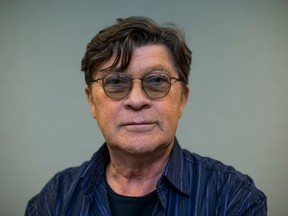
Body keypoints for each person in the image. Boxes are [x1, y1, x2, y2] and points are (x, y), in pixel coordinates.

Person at [25, 16, 267, 215]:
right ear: (92, 102)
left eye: (157, 81)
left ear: (182, 99)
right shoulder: (52, 202)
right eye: (116, 82)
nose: (137, 100)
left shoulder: (234, 198)